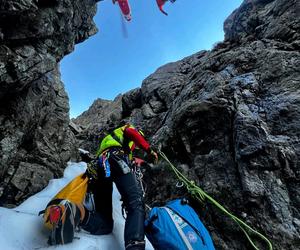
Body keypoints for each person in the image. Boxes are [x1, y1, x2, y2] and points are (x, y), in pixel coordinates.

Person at [81, 123, 158, 250]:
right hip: (115, 158)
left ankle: (78, 213)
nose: (136, 145)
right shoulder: (129, 129)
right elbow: (131, 133)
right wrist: (149, 150)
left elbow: (128, 160)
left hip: (101, 165)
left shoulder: (113, 140)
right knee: (136, 202)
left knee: (105, 224)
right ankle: (135, 247)